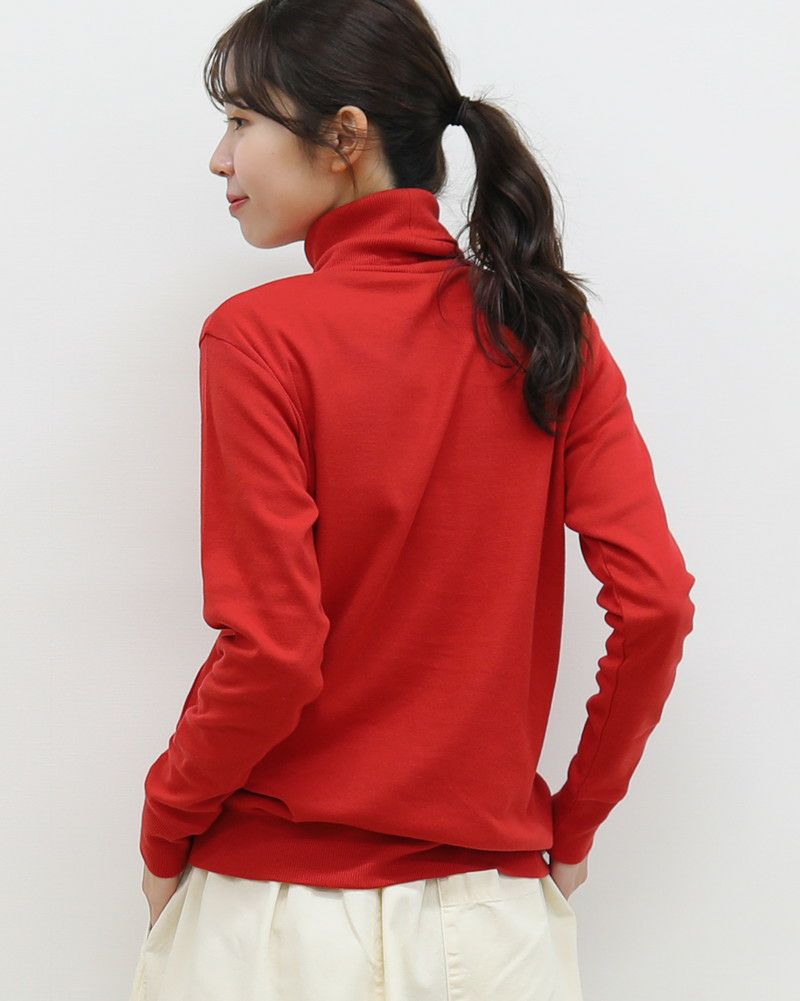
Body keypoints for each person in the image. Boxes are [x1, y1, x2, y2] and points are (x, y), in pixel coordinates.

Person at [130, 1, 696, 999]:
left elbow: (273, 645)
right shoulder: (547, 330)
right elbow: (653, 605)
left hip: (276, 919)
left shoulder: (259, 337)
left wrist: (166, 820)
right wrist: (570, 825)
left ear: (344, 135)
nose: (221, 159)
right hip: (496, 925)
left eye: (241, 120)